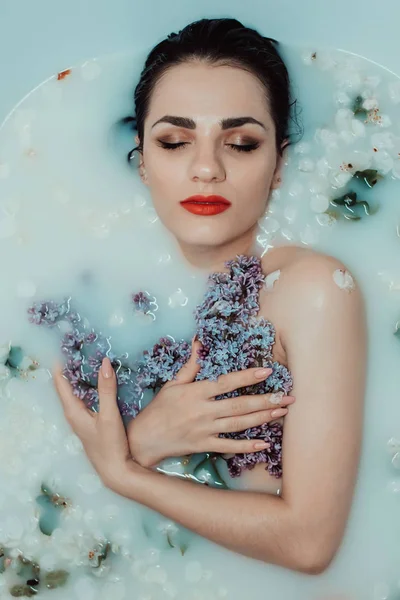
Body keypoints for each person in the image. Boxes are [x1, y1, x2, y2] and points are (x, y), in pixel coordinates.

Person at [54, 17, 366, 574]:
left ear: (279, 167)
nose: (206, 168)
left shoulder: (312, 289)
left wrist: (124, 470)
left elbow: (309, 544)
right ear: (143, 160)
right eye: (174, 141)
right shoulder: (81, 283)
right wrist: (144, 439)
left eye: (241, 143)